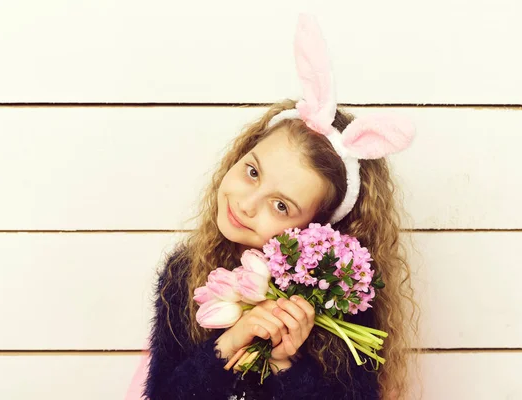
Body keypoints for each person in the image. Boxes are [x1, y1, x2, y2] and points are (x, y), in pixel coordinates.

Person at [138, 14, 419, 400]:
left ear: (316, 229)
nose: (247, 204)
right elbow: (163, 394)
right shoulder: (185, 272)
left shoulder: (341, 302)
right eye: (252, 172)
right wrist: (230, 342)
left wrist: (285, 364)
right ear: (240, 154)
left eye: (282, 206)